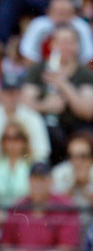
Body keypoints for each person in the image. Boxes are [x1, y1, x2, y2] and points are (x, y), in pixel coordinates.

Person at [20, 23, 93, 164]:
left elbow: (87, 111)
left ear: (77, 46)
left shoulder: (85, 74)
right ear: (52, 44)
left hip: (75, 129)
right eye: (61, 42)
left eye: (70, 42)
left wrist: (63, 84)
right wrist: (45, 106)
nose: (66, 47)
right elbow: (24, 104)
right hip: (44, 130)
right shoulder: (38, 69)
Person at [0, 72, 51, 162]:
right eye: (7, 93)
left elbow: (41, 152)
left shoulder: (33, 118)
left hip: (25, 168)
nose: (11, 97)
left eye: (15, 93)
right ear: (0, 94)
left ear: (20, 94)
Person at [19, 0, 93, 66]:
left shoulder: (81, 26)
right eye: (59, 13)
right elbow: (27, 53)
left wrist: (73, 71)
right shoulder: (39, 25)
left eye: (66, 13)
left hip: (75, 72)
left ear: (73, 13)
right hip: (42, 71)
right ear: (49, 12)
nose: (62, 18)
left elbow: (88, 55)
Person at [0, 119, 33, 209]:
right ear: (2, 141)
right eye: (8, 138)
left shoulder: (32, 164)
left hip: (25, 212)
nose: (12, 143)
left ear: (24, 141)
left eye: (17, 138)